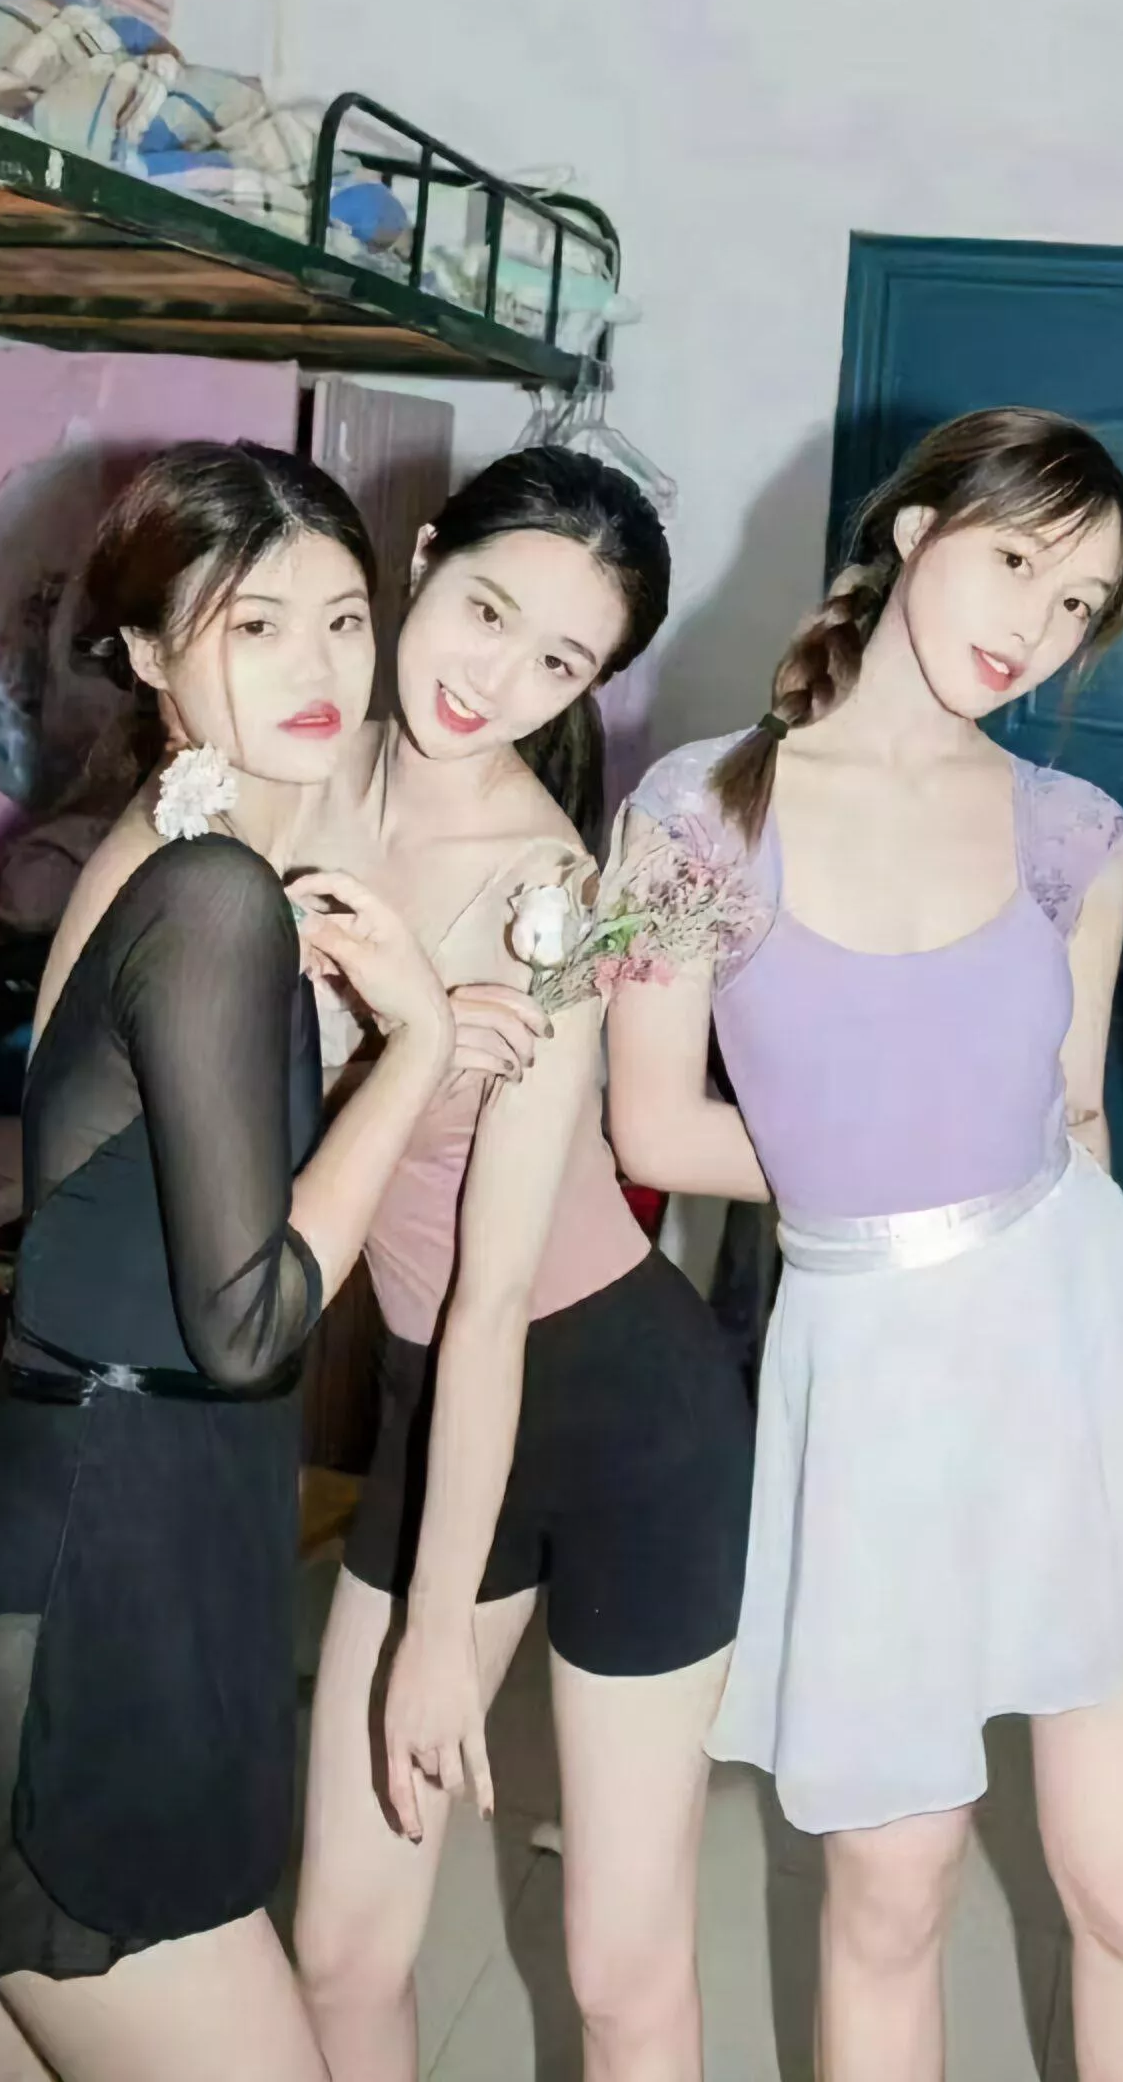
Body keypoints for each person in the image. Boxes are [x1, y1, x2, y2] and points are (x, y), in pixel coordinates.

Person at [607, 406, 1123, 2082]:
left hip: (1075, 1354)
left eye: (1080, 605)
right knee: (891, 1897)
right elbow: (652, 1129)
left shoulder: (1072, 830)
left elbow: (1076, 1117)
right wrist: (871, 1174)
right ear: (911, 531)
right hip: (871, 1381)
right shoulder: (692, 813)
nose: (1038, 625)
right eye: (1018, 560)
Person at [0, 443, 458, 2082]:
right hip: (96, 1584)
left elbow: (105, 1200)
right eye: (254, 624)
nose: (315, 665)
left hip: (76, 1534)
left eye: (343, 618)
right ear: (149, 652)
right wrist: (419, 1053)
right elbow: (248, 1321)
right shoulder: (216, 889)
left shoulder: (161, 845)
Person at [291, 446, 753, 2082]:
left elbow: (492, 1296)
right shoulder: (287, 784)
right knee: (341, 1948)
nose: (495, 681)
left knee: (621, 1975)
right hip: (436, 1403)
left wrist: (436, 1627)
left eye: (559, 661)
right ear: (422, 557)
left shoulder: (549, 898)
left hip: (621, 1411)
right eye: (486, 611)